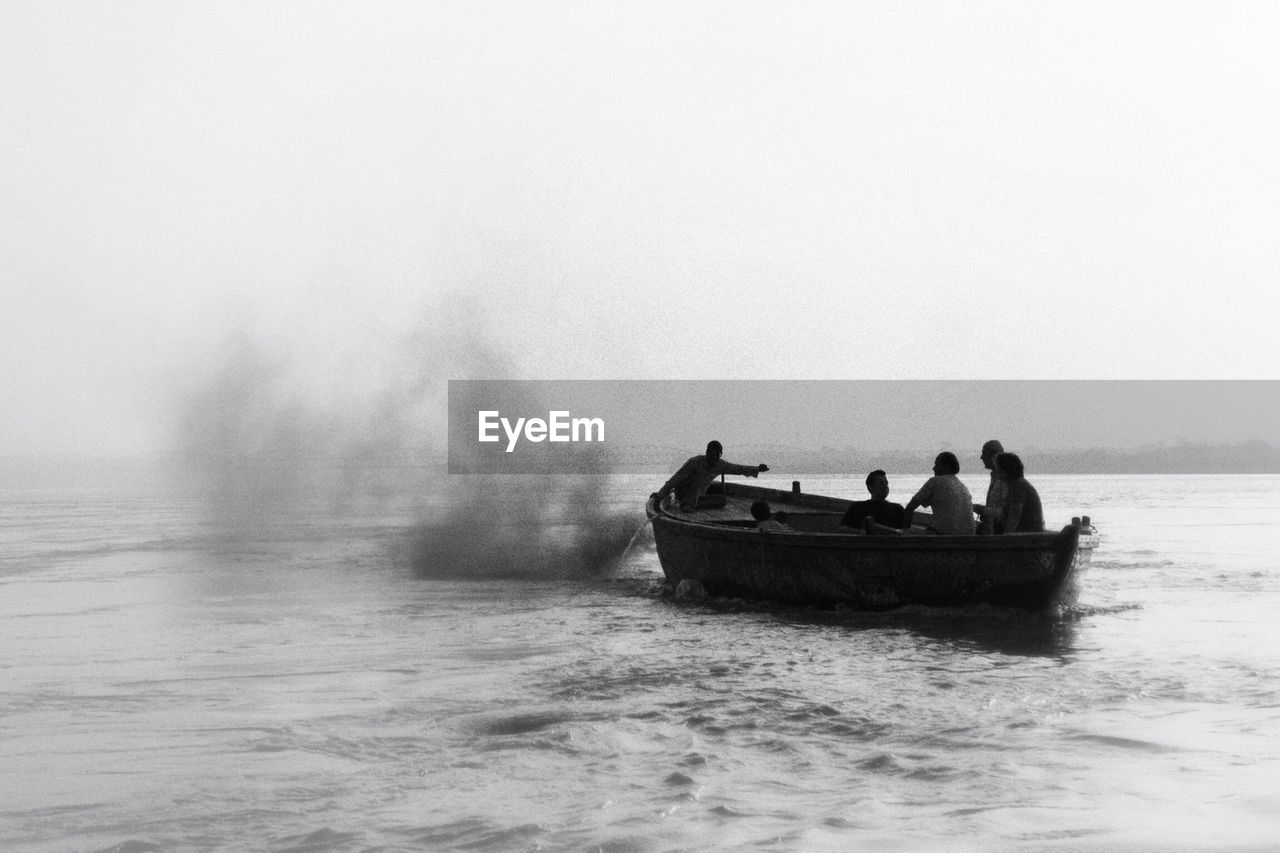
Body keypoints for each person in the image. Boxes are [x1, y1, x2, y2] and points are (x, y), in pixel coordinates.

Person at [655, 441, 769, 512]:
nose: (713, 458)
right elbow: (677, 478)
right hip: (683, 492)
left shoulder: (721, 465)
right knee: (699, 477)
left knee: (722, 501)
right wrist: (660, 495)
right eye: (711, 455)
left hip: (699, 496)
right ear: (707, 453)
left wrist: (757, 469)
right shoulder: (695, 462)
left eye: (716, 455)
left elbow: (738, 469)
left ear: (720, 455)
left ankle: (694, 504)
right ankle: (687, 504)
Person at [901, 451, 975, 535]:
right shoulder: (962, 486)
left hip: (944, 537)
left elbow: (909, 508)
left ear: (946, 466)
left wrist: (905, 532)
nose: (933, 468)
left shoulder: (935, 481)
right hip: (968, 537)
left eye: (937, 465)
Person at [839, 469, 906, 529]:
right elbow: (842, 529)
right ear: (870, 487)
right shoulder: (858, 508)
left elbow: (907, 531)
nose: (885, 486)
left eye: (886, 483)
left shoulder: (897, 509)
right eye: (881, 483)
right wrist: (861, 532)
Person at [996, 452, 1045, 533]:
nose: (996, 471)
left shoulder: (1019, 485)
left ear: (1005, 469)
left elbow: (1014, 515)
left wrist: (1005, 538)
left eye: (998, 468)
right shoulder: (1015, 484)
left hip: (1027, 536)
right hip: (1026, 533)